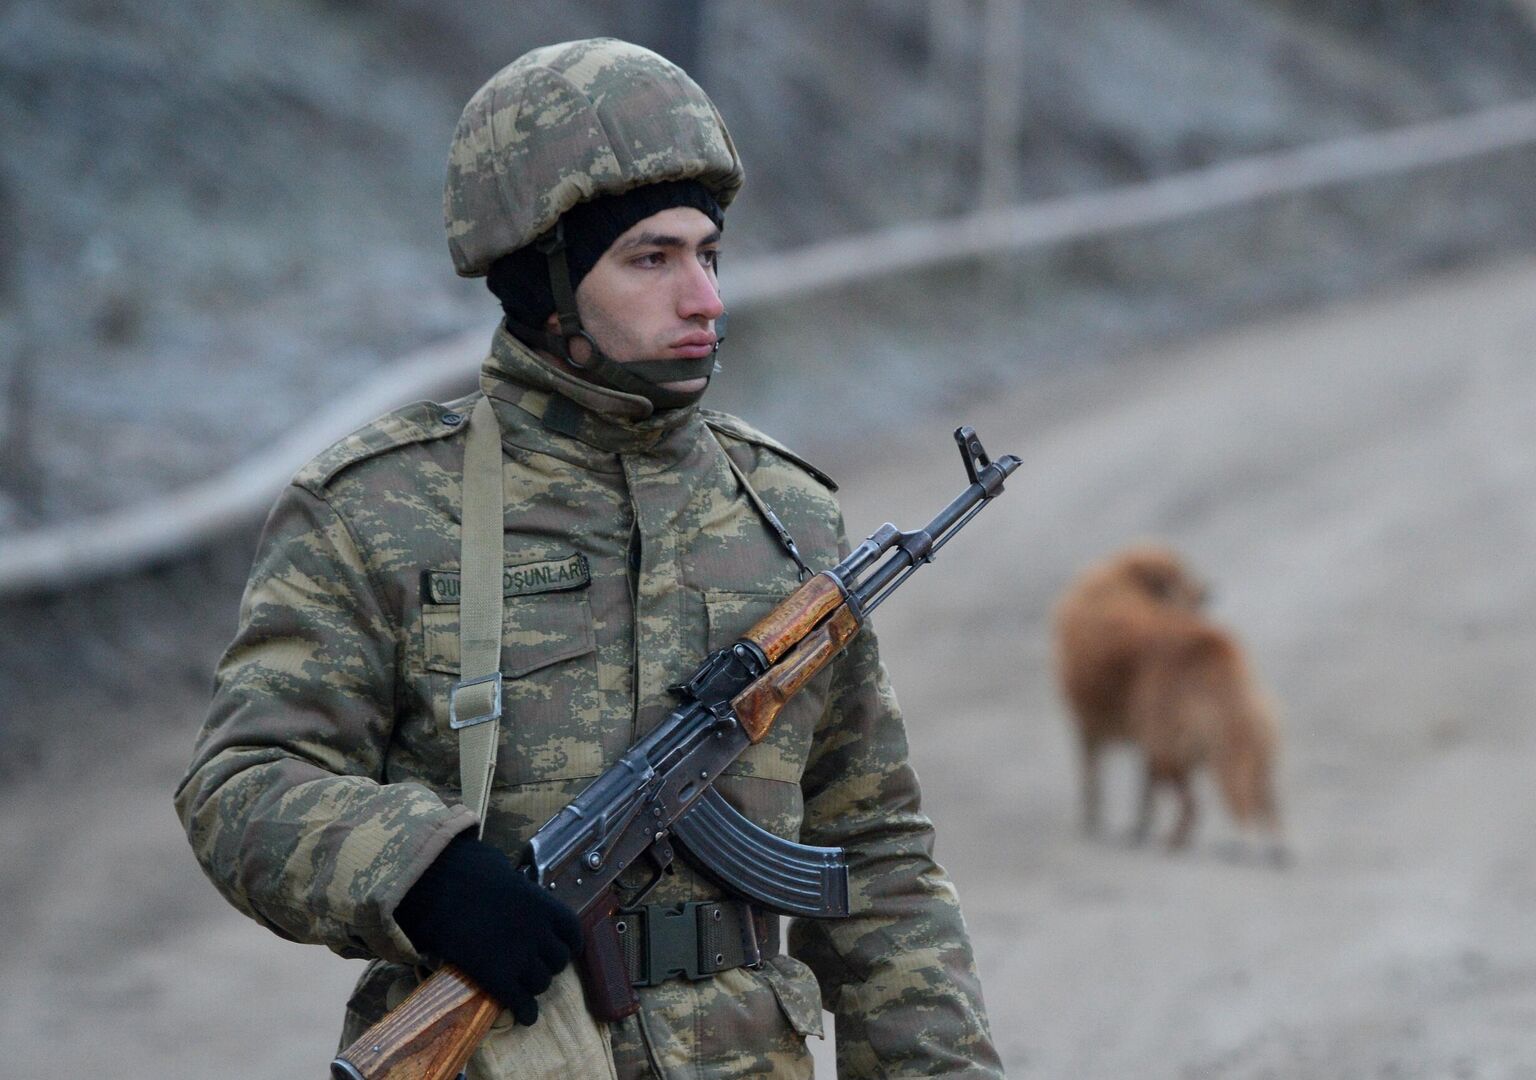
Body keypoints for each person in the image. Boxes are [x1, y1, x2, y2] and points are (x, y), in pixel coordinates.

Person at [175, 38, 1003, 1080]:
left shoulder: (784, 511)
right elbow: (241, 784)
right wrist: (423, 874)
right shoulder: (380, 509)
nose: (703, 298)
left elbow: (874, 853)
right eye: (651, 259)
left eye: (710, 254)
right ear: (543, 282)